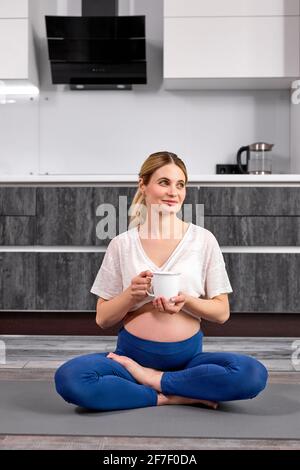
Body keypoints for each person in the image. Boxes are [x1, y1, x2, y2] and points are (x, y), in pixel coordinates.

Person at [55, 151, 268, 411]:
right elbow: (103, 318)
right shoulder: (121, 244)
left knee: (252, 374)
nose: (173, 192)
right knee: (70, 379)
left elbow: (221, 313)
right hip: (130, 359)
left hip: (189, 361)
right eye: (164, 182)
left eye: (180, 185)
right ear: (143, 185)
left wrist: (187, 300)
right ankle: (170, 395)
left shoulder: (203, 240)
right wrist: (131, 295)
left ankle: (153, 381)